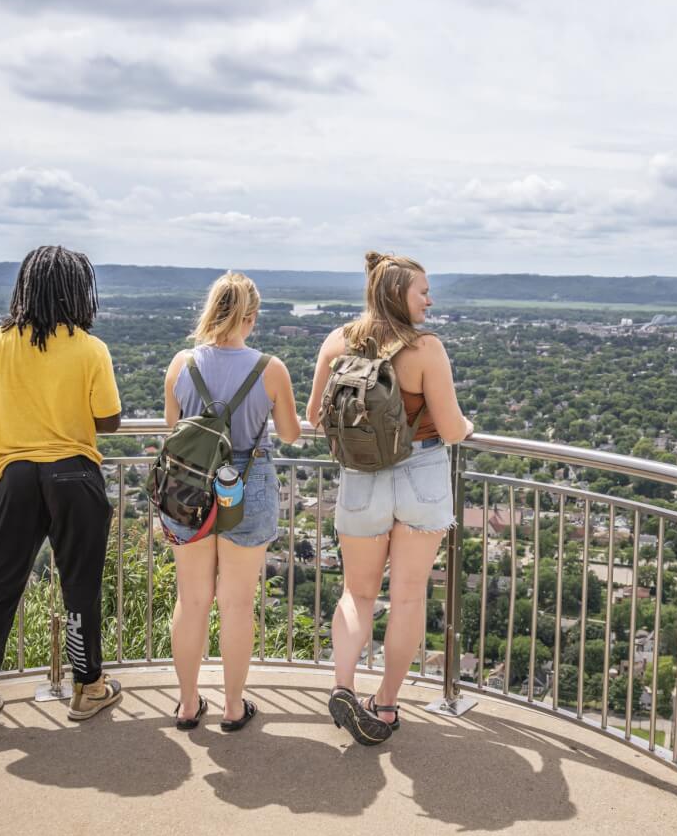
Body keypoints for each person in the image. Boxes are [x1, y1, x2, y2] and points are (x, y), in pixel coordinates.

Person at [0, 245, 124, 732]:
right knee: (79, 588)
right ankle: (88, 689)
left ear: (24, 286)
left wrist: (12, 401)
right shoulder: (90, 348)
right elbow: (108, 421)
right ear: (78, 291)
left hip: (16, 477)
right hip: (74, 474)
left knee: (0, 587)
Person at [307, 252, 474, 744]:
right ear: (399, 292)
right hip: (420, 475)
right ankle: (384, 706)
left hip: (361, 478)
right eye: (423, 290)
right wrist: (467, 426)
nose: (429, 298)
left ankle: (343, 685)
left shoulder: (337, 342)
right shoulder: (425, 349)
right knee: (407, 597)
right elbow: (450, 429)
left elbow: (316, 415)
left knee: (357, 593)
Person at [162, 272, 302, 731]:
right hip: (247, 481)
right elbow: (289, 433)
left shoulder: (182, 365)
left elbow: (173, 431)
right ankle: (234, 707)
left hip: (189, 488)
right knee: (237, 603)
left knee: (193, 599)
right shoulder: (270, 368)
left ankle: (186, 705)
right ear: (251, 317)